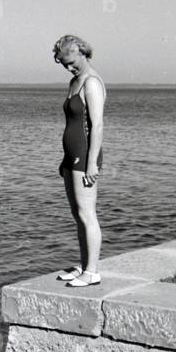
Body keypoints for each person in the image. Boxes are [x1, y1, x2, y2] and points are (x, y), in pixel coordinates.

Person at [53, 34, 106, 288]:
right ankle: (85, 265)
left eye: (71, 62)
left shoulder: (92, 83)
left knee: (87, 213)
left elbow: (96, 127)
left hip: (85, 156)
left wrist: (92, 163)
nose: (69, 68)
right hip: (71, 156)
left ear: (82, 53)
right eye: (64, 64)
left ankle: (92, 272)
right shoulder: (75, 81)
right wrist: (64, 159)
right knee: (77, 213)